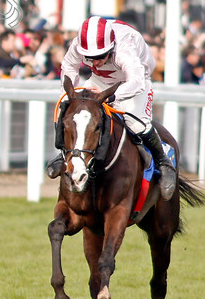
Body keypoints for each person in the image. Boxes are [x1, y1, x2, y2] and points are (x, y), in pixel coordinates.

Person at [46, 16, 176, 200]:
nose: (95, 62)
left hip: (134, 79)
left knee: (136, 124)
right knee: (71, 113)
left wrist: (112, 97)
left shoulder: (125, 49)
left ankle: (164, 162)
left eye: (99, 57)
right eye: (90, 58)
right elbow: (68, 66)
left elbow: (136, 82)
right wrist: (71, 95)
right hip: (102, 80)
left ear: (110, 48)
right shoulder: (77, 45)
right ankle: (63, 155)